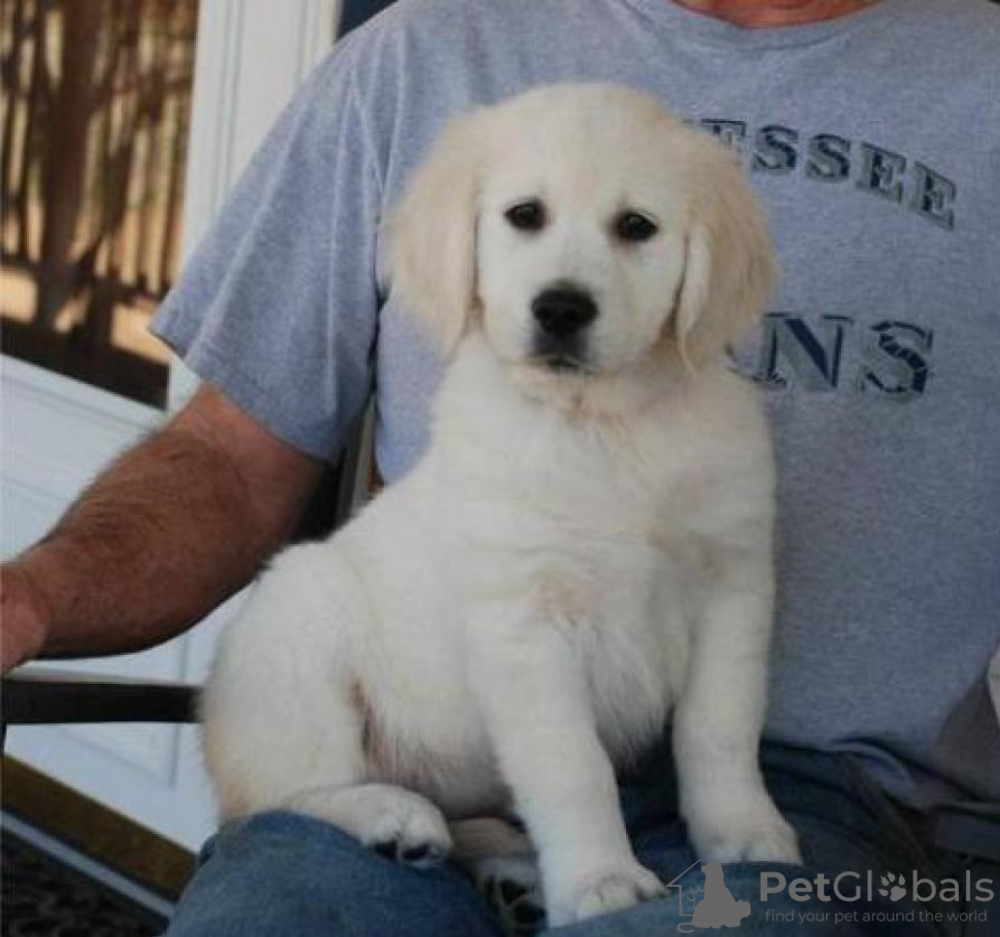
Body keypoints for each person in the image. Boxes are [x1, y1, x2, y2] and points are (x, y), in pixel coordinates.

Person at [2, 0, 998, 934]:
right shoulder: (425, 54)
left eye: (634, 231)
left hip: (842, 799)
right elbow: (226, 455)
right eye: (525, 218)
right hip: (387, 776)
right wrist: (32, 596)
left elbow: (732, 586)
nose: (568, 284)